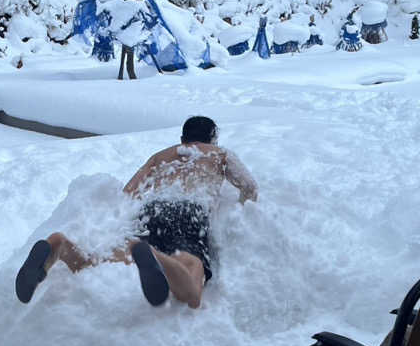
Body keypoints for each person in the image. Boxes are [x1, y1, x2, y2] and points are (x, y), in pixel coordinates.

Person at [15, 115, 258, 309]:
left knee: (111, 263)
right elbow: (249, 187)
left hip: (152, 209)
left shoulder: (161, 156)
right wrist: (238, 210)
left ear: (183, 138)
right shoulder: (219, 154)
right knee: (192, 281)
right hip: (190, 210)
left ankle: (61, 246)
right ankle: (157, 257)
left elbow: (130, 191)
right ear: (212, 138)